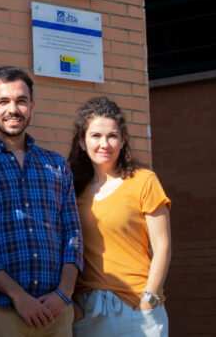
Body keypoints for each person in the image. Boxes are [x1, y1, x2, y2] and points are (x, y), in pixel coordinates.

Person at [0, 66, 83, 337]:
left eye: (20, 101)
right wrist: (19, 296)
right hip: (2, 311)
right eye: (3, 101)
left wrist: (64, 293)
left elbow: (73, 234)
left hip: (56, 312)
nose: (13, 109)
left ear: (32, 105)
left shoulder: (56, 165)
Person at [68, 96, 171, 337]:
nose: (104, 143)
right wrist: (74, 307)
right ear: (82, 142)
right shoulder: (72, 189)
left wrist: (149, 301)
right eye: (95, 136)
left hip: (139, 309)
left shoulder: (144, 180)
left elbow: (163, 247)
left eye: (112, 136)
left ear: (123, 140)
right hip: (90, 312)